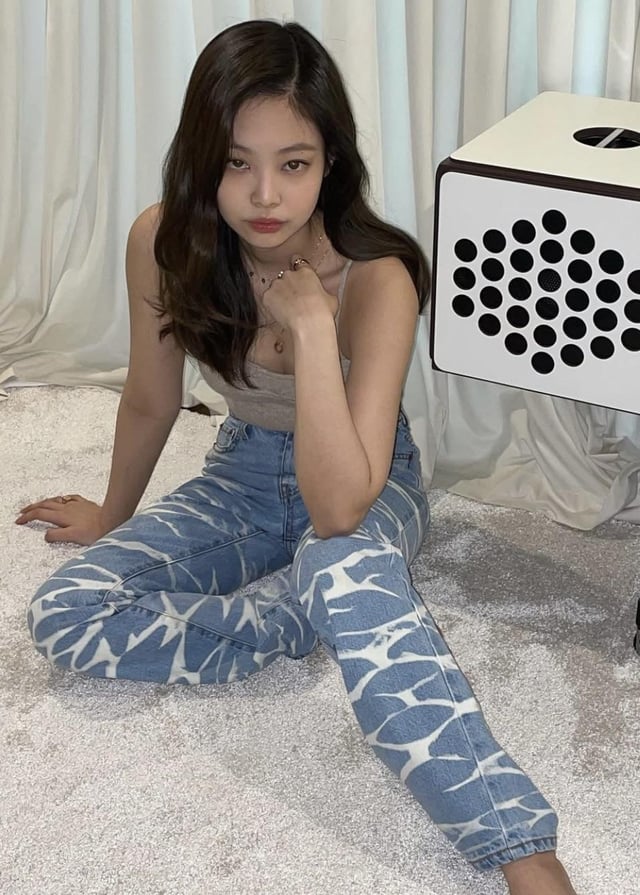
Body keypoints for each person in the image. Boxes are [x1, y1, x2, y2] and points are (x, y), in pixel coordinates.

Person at [17, 20, 577, 895]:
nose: (265, 194)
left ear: (331, 162)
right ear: (202, 160)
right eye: (237, 163)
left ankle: (519, 847)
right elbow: (152, 398)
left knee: (343, 563)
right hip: (240, 475)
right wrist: (112, 514)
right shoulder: (163, 241)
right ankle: (287, 621)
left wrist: (314, 325)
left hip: (367, 475)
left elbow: (342, 505)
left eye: (294, 162)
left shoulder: (379, 273)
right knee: (67, 610)